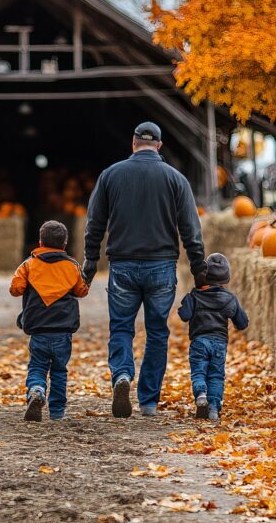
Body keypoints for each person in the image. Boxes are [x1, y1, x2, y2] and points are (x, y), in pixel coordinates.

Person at [83, 122, 207, 418]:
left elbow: (94, 224)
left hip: (123, 265)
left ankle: (122, 375)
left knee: (122, 327)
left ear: (133, 143)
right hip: (161, 267)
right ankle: (149, 401)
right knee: (156, 332)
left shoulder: (110, 175)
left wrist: (90, 262)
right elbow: (191, 229)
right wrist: (199, 267)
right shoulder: (176, 179)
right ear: (160, 146)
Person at [10, 220, 90, 422]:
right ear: (64, 244)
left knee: (37, 366)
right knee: (59, 370)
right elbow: (82, 290)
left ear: (40, 242)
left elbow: (15, 289)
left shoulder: (28, 265)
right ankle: (57, 412)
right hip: (63, 330)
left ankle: (36, 390)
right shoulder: (72, 266)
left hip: (38, 329)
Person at [177, 253, 249, 421]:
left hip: (199, 342)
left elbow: (184, 315)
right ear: (226, 277)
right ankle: (213, 409)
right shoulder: (229, 298)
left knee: (198, 372)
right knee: (216, 375)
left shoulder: (195, 296)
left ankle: (201, 394)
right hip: (219, 343)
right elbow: (242, 323)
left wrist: (189, 298)